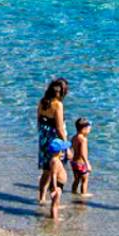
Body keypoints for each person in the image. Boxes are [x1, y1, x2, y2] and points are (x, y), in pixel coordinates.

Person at [36, 77, 70, 219]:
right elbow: (59, 127)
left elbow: (39, 120)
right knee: (56, 170)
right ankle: (54, 202)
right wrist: (67, 146)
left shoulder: (42, 102)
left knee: (46, 170)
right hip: (54, 139)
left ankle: (42, 197)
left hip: (43, 137)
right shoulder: (58, 105)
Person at [69, 117, 93, 196]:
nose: (89, 130)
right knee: (84, 180)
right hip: (81, 163)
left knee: (76, 180)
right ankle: (83, 194)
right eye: (89, 129)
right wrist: (87, 163)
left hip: (74, 162)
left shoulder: (74, 137)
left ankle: (73, 192)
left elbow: (71, 149)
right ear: (84, 129)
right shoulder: (83, 139)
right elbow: (83, 153)